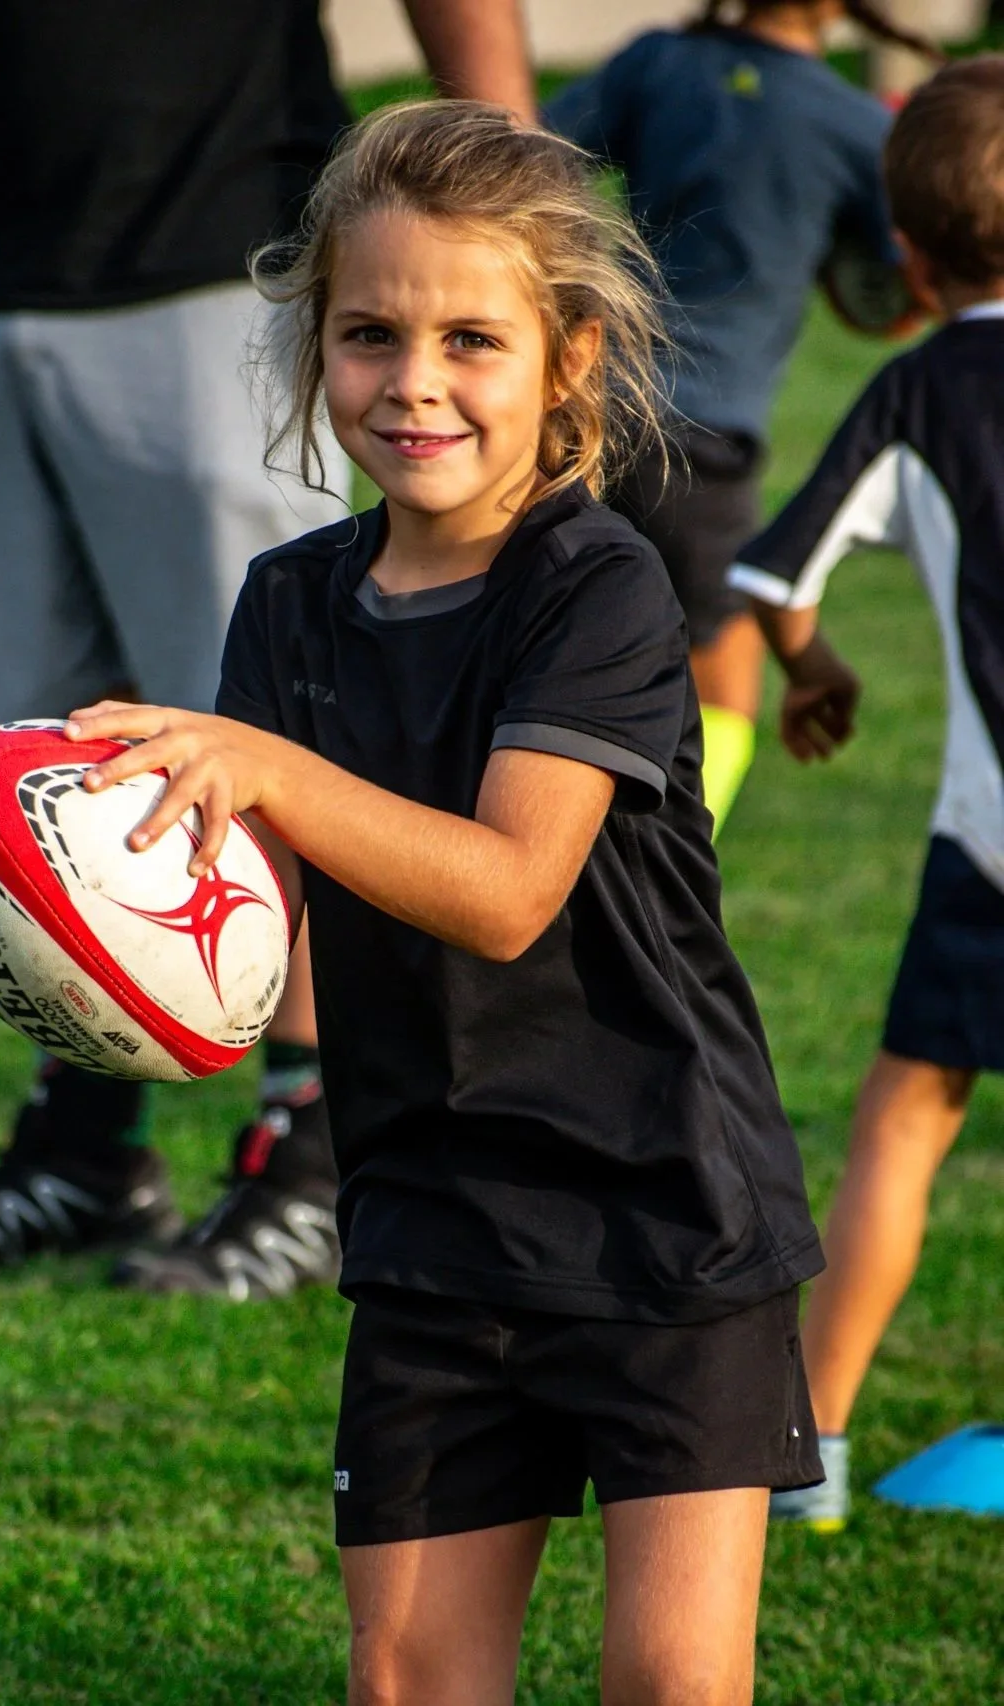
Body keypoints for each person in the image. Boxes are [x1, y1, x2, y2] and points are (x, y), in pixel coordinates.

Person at [64, 102, 825, 1706]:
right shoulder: (289, 606)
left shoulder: (597, 584)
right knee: (408, 1681)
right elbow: (254, 922)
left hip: (659, 1220)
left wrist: (262, 767)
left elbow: (503, 892)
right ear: (313, 351)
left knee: (673, 1681)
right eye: (367, 332)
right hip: (426, 1220)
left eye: (469, 336)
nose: (411, 378)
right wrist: (89, 905)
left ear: (572, 357)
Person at [0, 0, 537, 1291]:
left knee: (268, 740)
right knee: (41, 760)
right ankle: (86, 1148)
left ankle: (321, 1153)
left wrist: (500, 156)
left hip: (215, 237)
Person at [730, 56, 1004, 1530]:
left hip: (993, 846)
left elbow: (773, 572)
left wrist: (815, 669)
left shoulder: (917, 385)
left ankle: (811, 1452)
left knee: (905, 1117)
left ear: (904, 259)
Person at [543, 0, 939, 835]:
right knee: (723, 666)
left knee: (560, 632)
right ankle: (679, 848)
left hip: (587, 405)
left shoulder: (655, 64)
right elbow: (907, 287)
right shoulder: (851, 123)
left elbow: (530, 159)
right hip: (706, 435)